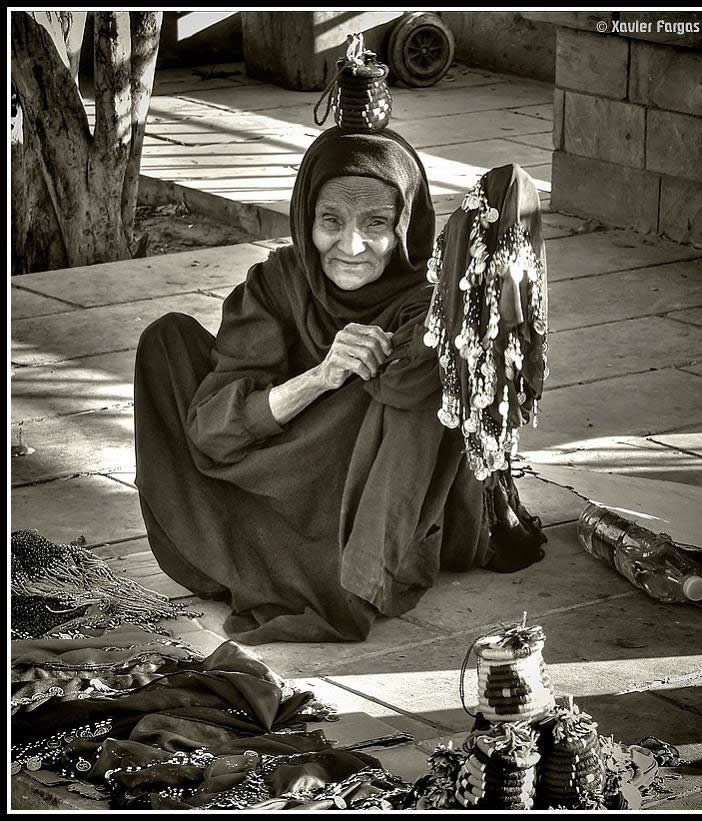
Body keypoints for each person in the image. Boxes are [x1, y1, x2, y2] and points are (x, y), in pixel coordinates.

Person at [133, 126, 546, 645]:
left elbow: (418, 415)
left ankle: (350, 578)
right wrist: (321, 376)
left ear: (405, 228)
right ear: (307, 220)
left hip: (358, 512)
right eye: (331, 221)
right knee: (165, 340)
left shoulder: (424, 310)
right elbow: (210, 433)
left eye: (376, 223)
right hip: (265, 480)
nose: (350, 246)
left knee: (418, 375)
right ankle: (250, 554)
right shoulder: (276, 284)